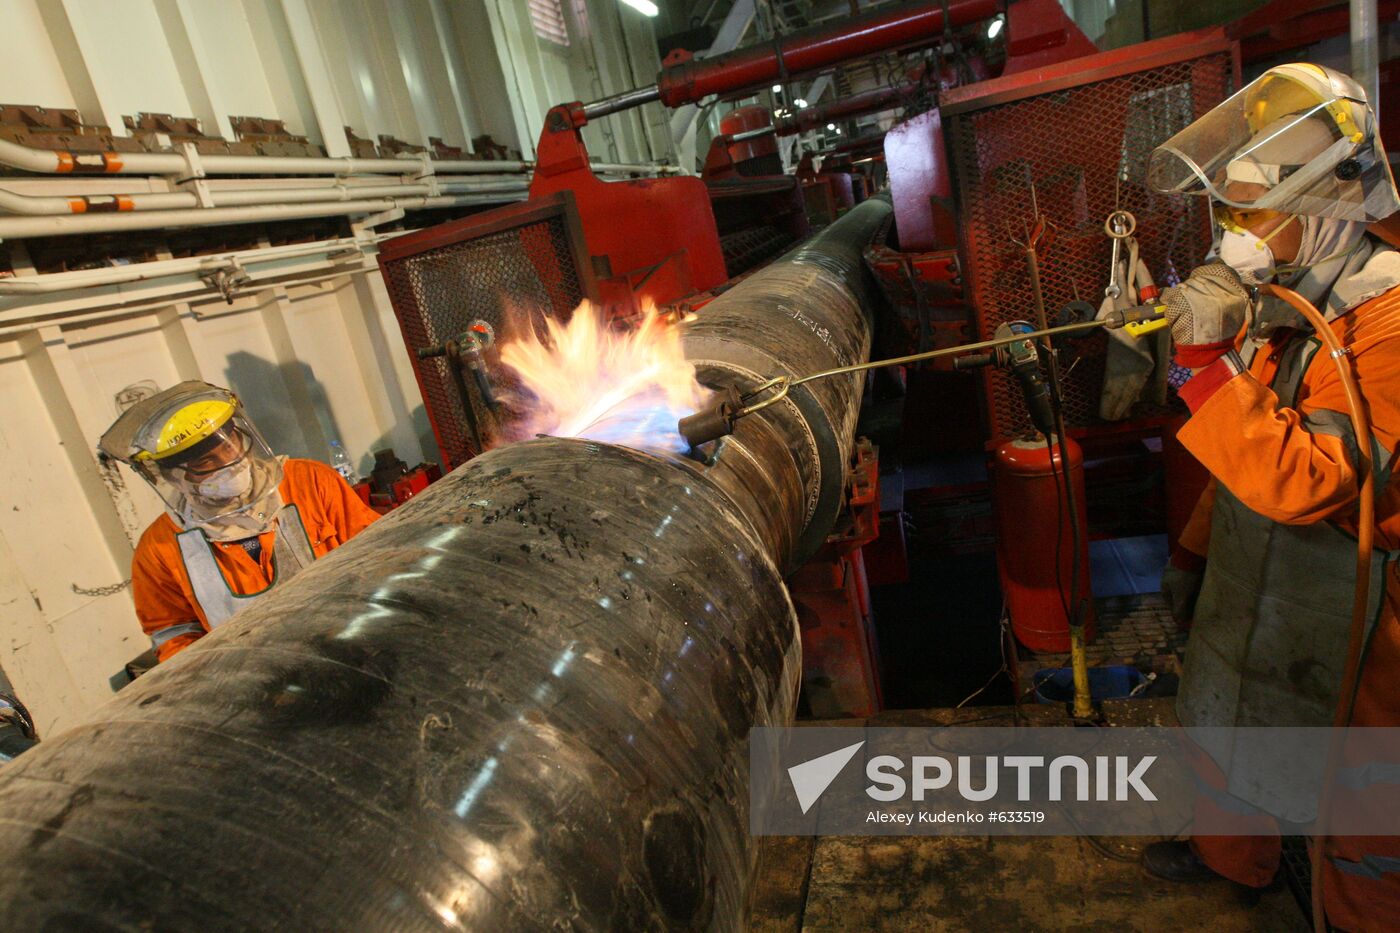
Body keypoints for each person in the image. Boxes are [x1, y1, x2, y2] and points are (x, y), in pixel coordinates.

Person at [1142, 62, 1400, 929]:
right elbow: (1246, 448)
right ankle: (1231, 858)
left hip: (1369, 606)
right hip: (1268, 571)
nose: (1232, 238)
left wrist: (1201, 363)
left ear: (1325, 203)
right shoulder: (1295, 302)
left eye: (1250, 214)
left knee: (1366, 801)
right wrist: (1194, 551)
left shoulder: (1387, 322)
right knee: (1229, 708)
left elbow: (1309, 479)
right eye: (1227, 213)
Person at [99, 381, 379, 661]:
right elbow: (174, 635)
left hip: (357, 645)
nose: (229, 463)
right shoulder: (159, 549)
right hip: (259, 673)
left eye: (230, 444)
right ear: (174, 476)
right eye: (206, 462)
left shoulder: (310, 482)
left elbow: (377, 556)